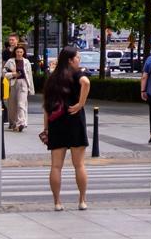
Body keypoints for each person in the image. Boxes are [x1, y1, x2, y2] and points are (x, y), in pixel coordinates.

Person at [42, 47, 89, 211]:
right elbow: (86, 83)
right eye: (77, 57)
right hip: (75, 120)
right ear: (70, 60)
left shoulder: (52, 78)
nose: (79, 60)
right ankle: (82, 200)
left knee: (56, 166)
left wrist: (46, 128)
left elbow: (46, 106)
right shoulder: (77, 74)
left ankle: (57, 202)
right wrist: (81, 103)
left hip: (57, 123)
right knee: (79, 164)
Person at [4, 45, 34, 133]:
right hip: (13, 83)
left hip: (24, 83)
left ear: (23, 53)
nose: (19, 54)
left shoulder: (26, 62)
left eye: (21, 52)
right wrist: (12, 74)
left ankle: (21, 123)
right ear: (15, 52)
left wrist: (31, 88)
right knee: (12, 104)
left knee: (21, 103)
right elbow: (4, 73)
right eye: (17, 52)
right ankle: (13, 122)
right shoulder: (10, 61)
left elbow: (30, 76)